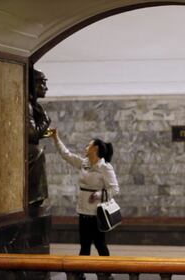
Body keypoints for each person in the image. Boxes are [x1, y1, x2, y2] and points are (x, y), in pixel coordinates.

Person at [49, 128, 119, 280]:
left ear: (96, 149)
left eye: (88, 145)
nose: (85, 148)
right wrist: (56, 138)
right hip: (83, 212)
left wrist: (99, 195)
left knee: (100, 245)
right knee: (84, 245)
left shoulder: (105, 167)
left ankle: (106, 274)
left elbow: (115, 189)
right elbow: (66, 155)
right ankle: (80, 274)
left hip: (97, 214)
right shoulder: (85, 163)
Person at [28, 69, 51, 208]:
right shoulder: (27, 105)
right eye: (42, 83)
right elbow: (32, 134)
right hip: (28, 152)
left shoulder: (32, 106)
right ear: (33, 85)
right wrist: (45, 120)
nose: (46, 87)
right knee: (37, 152)